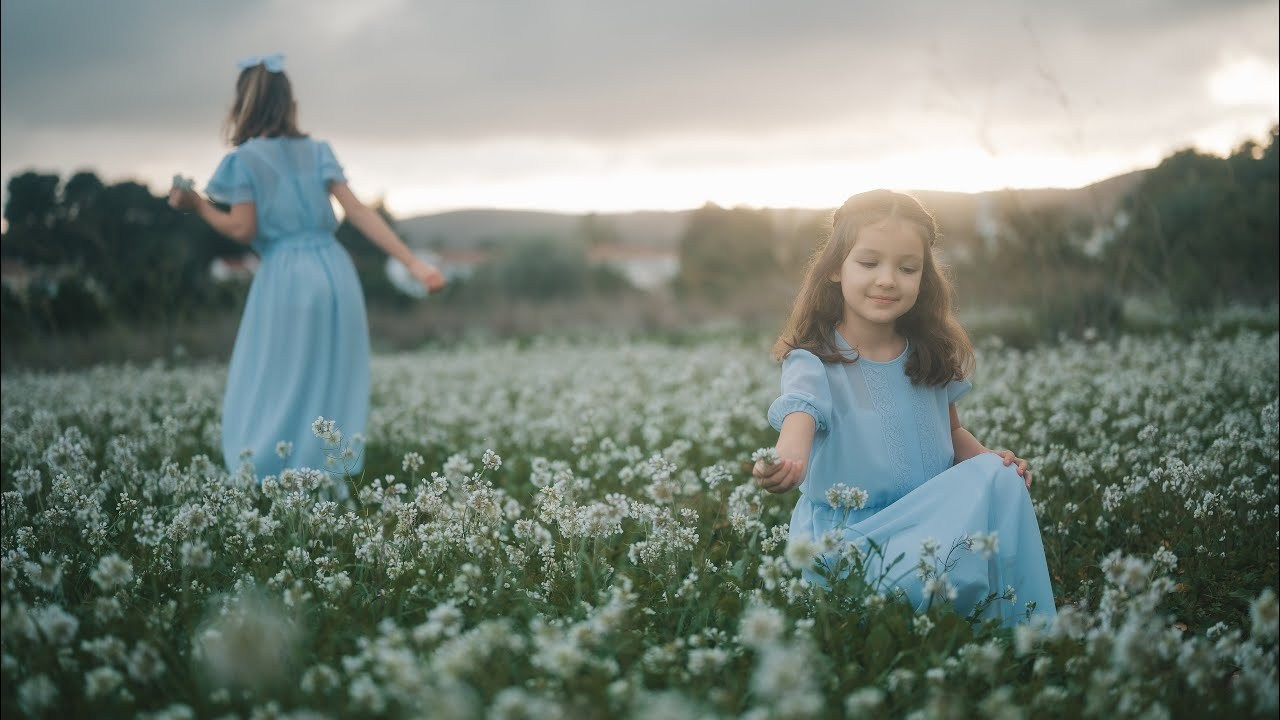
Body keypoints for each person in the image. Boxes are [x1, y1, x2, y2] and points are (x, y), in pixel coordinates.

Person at [752, 189, 1055, 626]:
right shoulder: (814, 360)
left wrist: (991, 460)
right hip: (853, 543)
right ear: (836, 268)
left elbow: (951, 434)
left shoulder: (927, 352)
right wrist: (785, 461)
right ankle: (940, 615)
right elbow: (798, 422)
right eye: (869, 262)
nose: (888, 279)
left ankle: (1025, 631)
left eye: (907, 267)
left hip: (931, 527)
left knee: (1001, 479)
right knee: (906, 595)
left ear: (923, 278)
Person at [169, 53, 445, 483]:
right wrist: (411, 262)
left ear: (242, 104)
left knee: (276, 375)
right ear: (289, 101)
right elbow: (356, 211)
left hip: (287, 275)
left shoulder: (246, 159)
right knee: (330, 375)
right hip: (335, 271)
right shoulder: (318, 151)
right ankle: (324, 474)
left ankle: (267, 472)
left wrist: (198, 207)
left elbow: (242, 228)